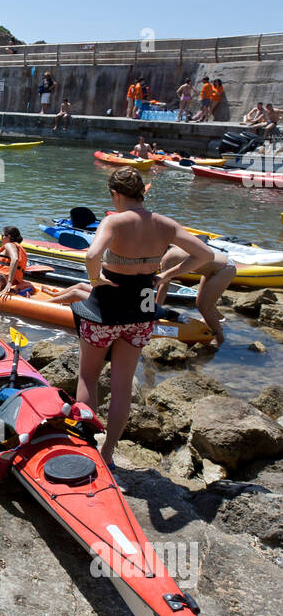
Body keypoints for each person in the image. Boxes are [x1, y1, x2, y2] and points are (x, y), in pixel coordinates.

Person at [72, 167, 214, 469]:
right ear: (143, 192)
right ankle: (108, 453)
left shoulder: (114, 221)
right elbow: (205, 255)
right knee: (123, 386)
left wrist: (95, 279)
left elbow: (91, 255)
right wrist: (167, 275)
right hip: (142, 310)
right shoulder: (166, 224)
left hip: (105, 309)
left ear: (115, 194)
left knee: (88, 376)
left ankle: (86, 446)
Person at [156, 245, 235, 347]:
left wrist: (156, 312)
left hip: (224, 269)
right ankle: (219, 318)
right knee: (201, 302)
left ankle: (219, 339)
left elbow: (164, 287)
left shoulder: (168, 258)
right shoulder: (172, 248)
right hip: (215, 268)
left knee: (203, 306)